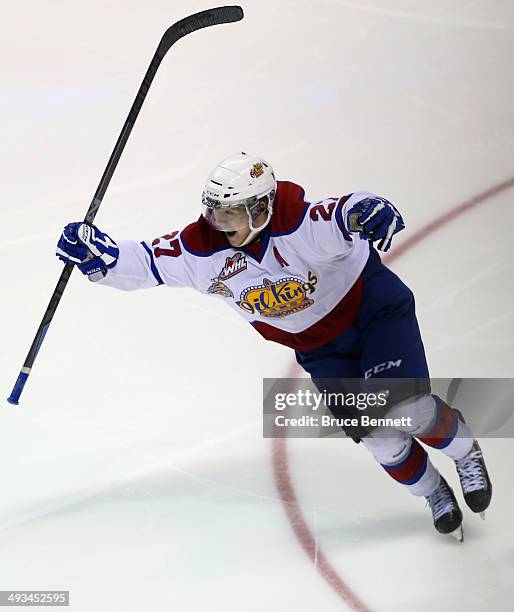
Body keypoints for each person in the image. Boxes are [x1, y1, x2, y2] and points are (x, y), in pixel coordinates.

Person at [56, 152, 492, 540]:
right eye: (214, 212)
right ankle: (433, 490)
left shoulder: (298, 222)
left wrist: (368, 208)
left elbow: (342, 212)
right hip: (321, 349)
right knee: (380, 438)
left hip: (372, 312)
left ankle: (464, 451)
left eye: (230, 214)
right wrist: (99, 255)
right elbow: (147, 261)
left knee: (404, 409)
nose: (218, 225)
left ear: (262, 207)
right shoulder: (201, 250)